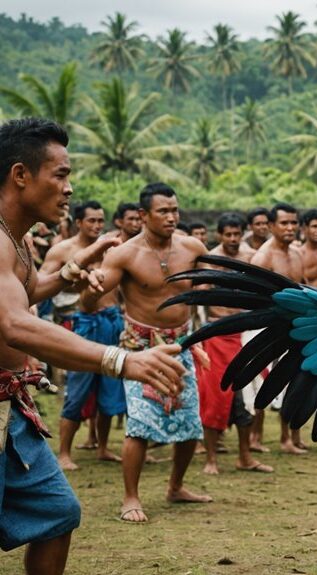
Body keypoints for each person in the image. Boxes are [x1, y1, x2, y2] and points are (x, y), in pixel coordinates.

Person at [0, 119, 184, 575]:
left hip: (10, 413)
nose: (68, 188)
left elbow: (24, 291)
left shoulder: (18, 239)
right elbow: (14, 323)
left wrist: (65, 273)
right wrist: (122, 360)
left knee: (57, 513)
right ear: (21, 175)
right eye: (60, 174)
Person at [82, 182, 212, 523]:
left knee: (189, 422)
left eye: (175, 211)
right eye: (163, 212)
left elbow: (202, 294)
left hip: (180, 344)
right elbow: (87, 301)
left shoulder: (192, 246)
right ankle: (130, 497)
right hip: (139, 348)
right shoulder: (125, 254)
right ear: (143, 215)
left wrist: (196, 342)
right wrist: (92, 286)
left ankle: (176, 487)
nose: (172, 217)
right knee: (139, 423)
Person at [41, 201, 126, 471]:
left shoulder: (115, 248)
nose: (97, 226)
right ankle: (64, 453)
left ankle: (102, 447)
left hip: (112, 321)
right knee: (77, 391)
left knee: (109, 389)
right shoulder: (63, 250)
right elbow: (39, 284)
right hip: (82, 323)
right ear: (78, 222)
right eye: (91, 221)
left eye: (101, 221)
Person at [195, 213, 273, 476]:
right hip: (217, 336)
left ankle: (245, 456)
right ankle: (211, 459)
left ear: (242, 233)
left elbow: (264, 289)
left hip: (245, 331)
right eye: (227, 234)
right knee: (215, 398)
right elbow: (196, 294)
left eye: (236, 234)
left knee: (248, 397)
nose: (232, 239)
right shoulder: (210, 259)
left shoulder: (252, 257)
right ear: (219, 234)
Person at [251, 203, 310, 455]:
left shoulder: (296, 253)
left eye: (293, 223)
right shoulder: (263, 257)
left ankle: (291, 436)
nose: (290, 228)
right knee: (263, 381)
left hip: (295, 326)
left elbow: (303, 287)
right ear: (272, 226)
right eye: (284, 223)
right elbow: (253, 297)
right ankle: (255, 436)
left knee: (295, 380)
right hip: (269, 326)